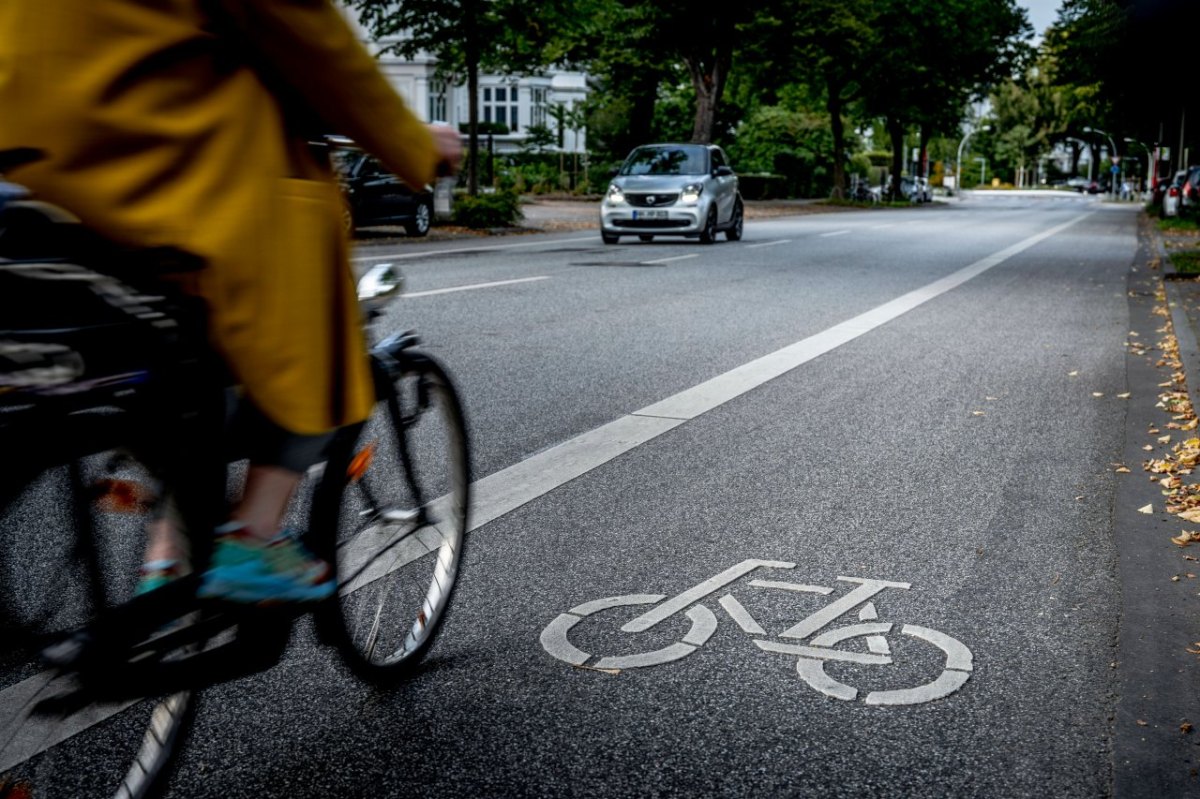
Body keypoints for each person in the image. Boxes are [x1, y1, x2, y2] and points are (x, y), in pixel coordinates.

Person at [0, 1, 462, 603]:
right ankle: (252, 534)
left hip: (31, 175)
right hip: (163, 170)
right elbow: (313, 38)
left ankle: (175, 548)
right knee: (321, 333)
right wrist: (412, 145)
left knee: (146, 365)